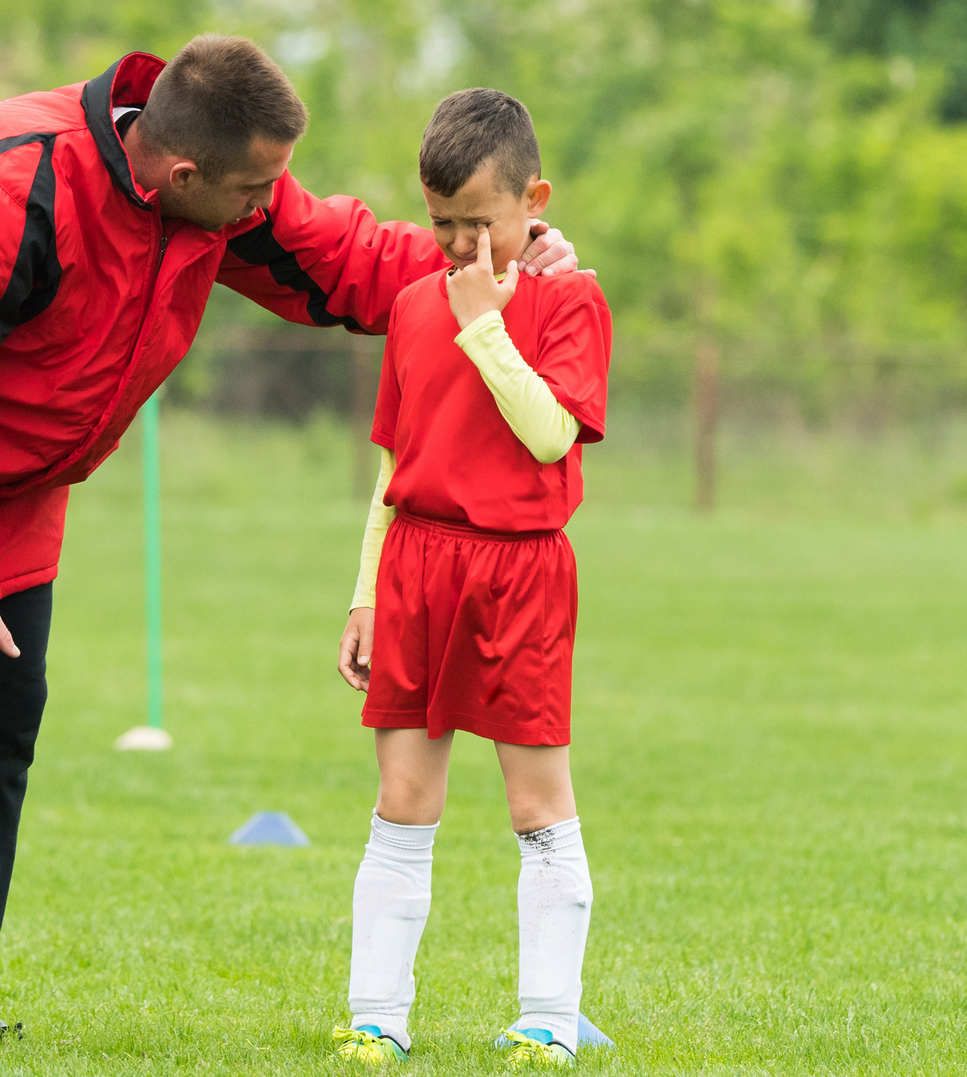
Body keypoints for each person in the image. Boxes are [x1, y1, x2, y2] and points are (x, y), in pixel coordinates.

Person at [0, 35, 581, 1045]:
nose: (265, 210)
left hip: (18, 479)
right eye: (252, 192)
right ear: (184, 172)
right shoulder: (1, 188)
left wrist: (491, 257)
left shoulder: (221, 189)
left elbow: (348, 260)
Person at [331, 88, 611, 1068]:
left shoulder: (571, 301)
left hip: (521, 572)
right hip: (417, 572)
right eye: (442, 225)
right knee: (403, 796)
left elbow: (549, 434)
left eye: (480, 225)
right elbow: (392, 472)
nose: (460, 248)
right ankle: (376, 1017)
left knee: (537, 802)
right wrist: (366, 592)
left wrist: (488, 328)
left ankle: (546, 1016)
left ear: (533, 202)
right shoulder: (412, 307)